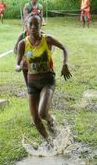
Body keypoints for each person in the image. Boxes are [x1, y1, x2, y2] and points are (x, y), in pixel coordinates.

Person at [15, 14, 72, 144]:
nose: (34, 27)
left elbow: (64, 47)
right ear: (27, 26)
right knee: (35, 118)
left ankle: (51, 121)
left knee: (42, 113)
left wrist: (65, 64)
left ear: (41, 25)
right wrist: (20, 66)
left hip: (47, 81)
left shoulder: (47, 39)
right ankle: (49, 142)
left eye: (37, 24)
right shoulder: (22, 44)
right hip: (32, 84)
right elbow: (16, 65)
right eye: (31, 24)